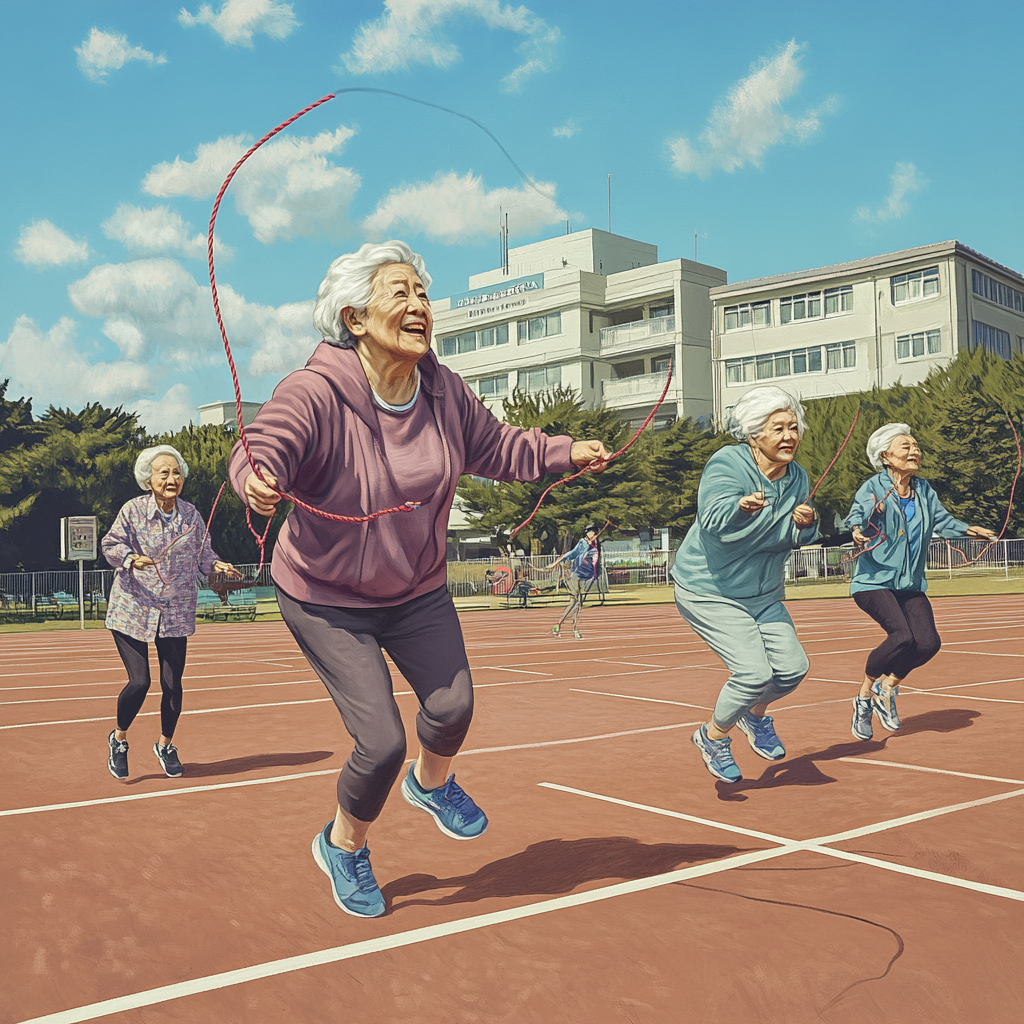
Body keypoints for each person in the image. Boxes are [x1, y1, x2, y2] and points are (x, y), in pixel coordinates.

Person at [229, 240, 610, 918]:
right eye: (400, 293)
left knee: (453, 708)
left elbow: (496, 447)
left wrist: (563, 453)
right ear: (353, 317)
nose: (418, 307)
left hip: (415, 589)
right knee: (379, 743)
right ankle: (344, 845)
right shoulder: (314, 391)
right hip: (326, 596)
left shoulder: (443, 389)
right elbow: (265, 444)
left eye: (423, 295)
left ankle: (432, 786)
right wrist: (257, 480)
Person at [671, 386, 818, 783]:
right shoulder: (727, 463)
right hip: (709, 588)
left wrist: (806, 525)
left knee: (792, 669)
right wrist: (739, 507)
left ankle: (754, 718)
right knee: (753, 673)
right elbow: (715, 522)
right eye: (778, 428)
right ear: (754, 433)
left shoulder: (798, 477)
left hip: (763, 590)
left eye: (793, 427)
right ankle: (713, 736)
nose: (789, 436)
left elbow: (794, 536)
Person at [845, 423, 996, 740]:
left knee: (928, 642)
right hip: (874, 581)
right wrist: (859, 529)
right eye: (905, 446)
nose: (914, 451)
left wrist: (972, 530)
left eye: (916, 446)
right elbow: (856, 514)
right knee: (901, 636)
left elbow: (942, 520)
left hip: (910, 583)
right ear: (886, 455)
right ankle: (863, 698)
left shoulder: (924, 490)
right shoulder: (873, 487)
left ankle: (887, 688)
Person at [102, 445, 241, 781]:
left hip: (175, 611)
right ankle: (119, 740)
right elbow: (110, 544)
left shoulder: (191, 515)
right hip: (133, 608)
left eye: (176, 472)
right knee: (140, 682)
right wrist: (131, 558)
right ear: (148, 480)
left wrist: (217, 565)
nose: (171, 478)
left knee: (172, 685)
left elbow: (203, 554)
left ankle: (165, 745)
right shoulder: (133, 511)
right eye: (163, 472)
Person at [549, 525, 601, 638]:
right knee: (577, 602)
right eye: (590, 532)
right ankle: (572, 628)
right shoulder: (583, 544)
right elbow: (573, 553)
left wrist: (595, 574)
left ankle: (561, 625)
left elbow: (595, 563)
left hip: (586, 577)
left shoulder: (595, 548)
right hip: (576, 575)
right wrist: (561, 560)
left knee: (576, 603)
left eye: (594, 532)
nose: (592, 534)